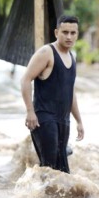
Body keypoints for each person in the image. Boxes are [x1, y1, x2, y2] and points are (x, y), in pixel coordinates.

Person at [20, 15, 84, 173]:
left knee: (62, 171)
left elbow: (70, 93)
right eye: (65, 32)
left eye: (73, 33)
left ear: (77, 34)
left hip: (63, 120)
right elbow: (25, 80)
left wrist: (79, 121)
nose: (69, 36)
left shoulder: (72, 57)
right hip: (44, 118)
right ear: (56, 32)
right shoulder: (46, 52)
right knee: (49, 168)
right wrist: (30, 111)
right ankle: (36, 197)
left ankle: (43, 197)